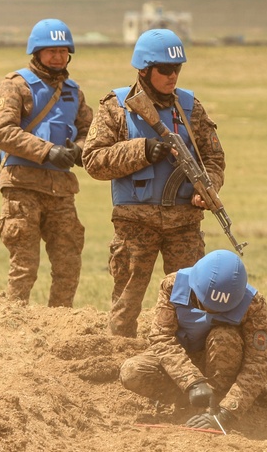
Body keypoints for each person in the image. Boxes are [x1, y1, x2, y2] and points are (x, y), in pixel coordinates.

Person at [82, 28, 225, 337]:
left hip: (184, 221)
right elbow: (92, 160)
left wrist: (207, 188)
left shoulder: (190, 108)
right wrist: (142, 151)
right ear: (144, 70)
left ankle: (187, 358)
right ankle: (119, 361)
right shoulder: (116, 106)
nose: (172, 76)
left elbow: (213, 159)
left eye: (177, 68)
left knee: (190, 301)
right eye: (165, 69)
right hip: (135, 222)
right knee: (126, 304)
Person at [0, 18, 94, 307]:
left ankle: (59, 326)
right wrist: (47, 151)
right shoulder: (15, 87)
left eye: (63, 51)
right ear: (36, 52)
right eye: (51, 51)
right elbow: (2, 131)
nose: (58, 57)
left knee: (68, 263)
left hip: (61, 191)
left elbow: (91, 131)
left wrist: (79, 149)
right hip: (22, 188)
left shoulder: (74, 92)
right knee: (24, 266)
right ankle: (12, 326)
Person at [118, 250, 267, 431]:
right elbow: (161, 338)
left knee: (224, 336)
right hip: (182, 360)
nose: (212, 311)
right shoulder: (173, 285)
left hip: (222, 365)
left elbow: (259, 362)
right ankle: (191, 401)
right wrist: (191, 382)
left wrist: (229, 411)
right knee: (132, 372)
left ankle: (217, 402)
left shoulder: (254, 305)